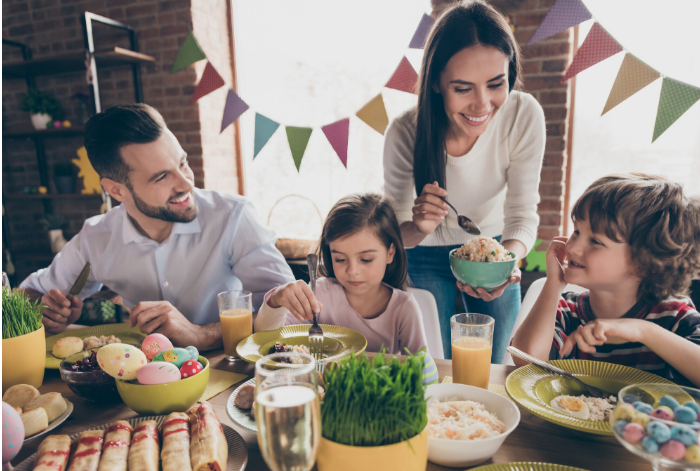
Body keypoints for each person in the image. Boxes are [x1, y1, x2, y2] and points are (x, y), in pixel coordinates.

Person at [20, 103, 295, 350]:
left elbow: (292, 314)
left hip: (232, 373)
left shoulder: (233, 217)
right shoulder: (96, 237)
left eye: (182, 163)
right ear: (117, 191)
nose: (187, 183)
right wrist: (46, 312)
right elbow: (26, 294)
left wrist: (202, 334)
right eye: (162, 177)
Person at [383, 0, 545, 362]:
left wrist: (508, 264)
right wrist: (420, 226)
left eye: (495, 84)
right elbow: (391, 235)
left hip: (495, 251)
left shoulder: (523, 115)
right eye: (463, 88)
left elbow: (522, 214)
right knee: (434, 364)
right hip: (422, 255)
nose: (482, 104)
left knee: (502, 361)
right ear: (437, 82)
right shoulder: (404, 133)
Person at [512, 174, 700, 388]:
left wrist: (643, 331)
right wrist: (554, 282)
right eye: (576, 231)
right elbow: (525, 360)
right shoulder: (566, 310)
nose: (572, 247)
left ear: (645, 262)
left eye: (595, 241)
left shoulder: (674, 316)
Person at [255, 193, 438, 383]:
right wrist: (275, 300)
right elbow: (267, 340)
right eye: (340, 259)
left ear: (390, 253)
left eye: (366, 259)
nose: (352, 271)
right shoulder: (321, 294)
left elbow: (427, 374)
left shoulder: (403, 308)